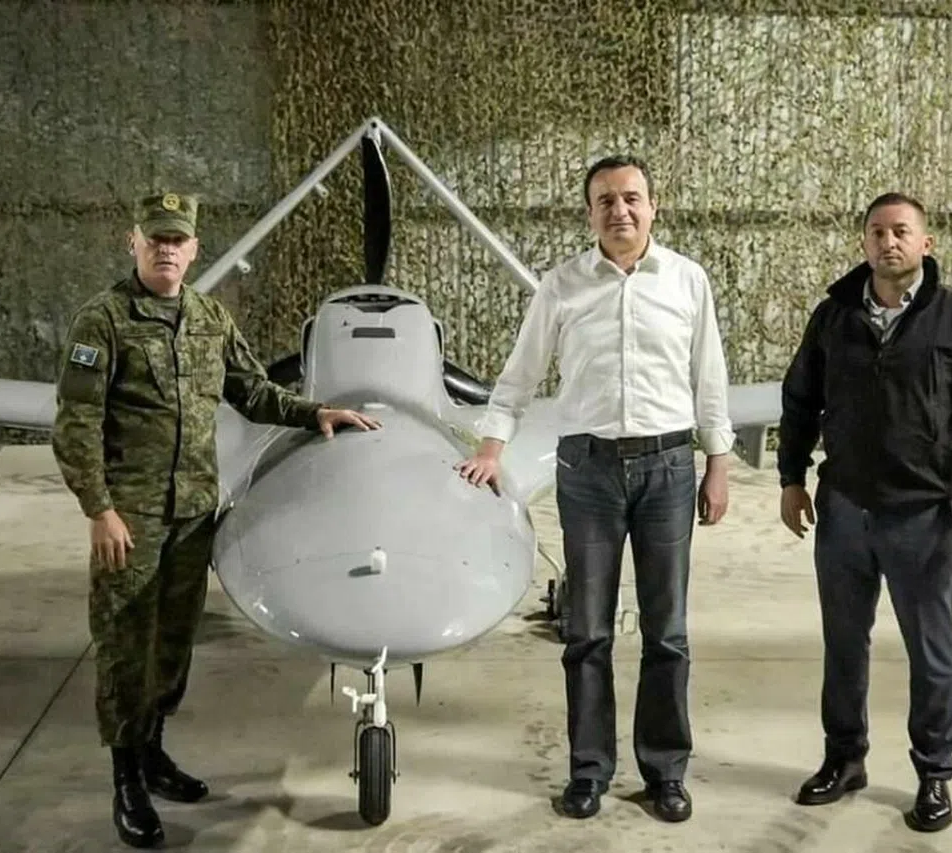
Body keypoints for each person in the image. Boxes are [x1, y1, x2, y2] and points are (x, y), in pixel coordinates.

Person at [51, 191, 381, 848]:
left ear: (194, 248)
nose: (166, 249)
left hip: (193, 513)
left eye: (177, 240)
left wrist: (314, 412)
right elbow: (76, 424)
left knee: (173, 644)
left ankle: (154, 753)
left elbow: (251, 391)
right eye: (156, 238)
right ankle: (126, 779)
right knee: (125, 647)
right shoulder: (104, 321)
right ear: (133, 242)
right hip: (132, 517)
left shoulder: (209, 318)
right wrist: (100, 509)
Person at [456, 156, 734, 822]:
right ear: (590, 213)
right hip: (588, 472)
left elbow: (710, 377)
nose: (620, 210)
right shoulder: (562, 286)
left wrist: (718, 461)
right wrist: (491, 446)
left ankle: (665, 772)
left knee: (668, 632)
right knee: (587, 632)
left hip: (668, 467)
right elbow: (519, 375)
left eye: (631, 197)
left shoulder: (688, 280)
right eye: (605, 200)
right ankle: (588, 772)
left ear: (653, 205)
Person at [776, 192, 952, 833]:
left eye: (901, 232)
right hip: (843, 511)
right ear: (864, 242)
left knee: (932, 652)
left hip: (920, 516)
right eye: (877, 232)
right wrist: (791, 478)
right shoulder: (833, 317)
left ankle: (934, 775)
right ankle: (844, 759)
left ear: (925, 243)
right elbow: (799, 400)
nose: (889, 242)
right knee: (843, 645)